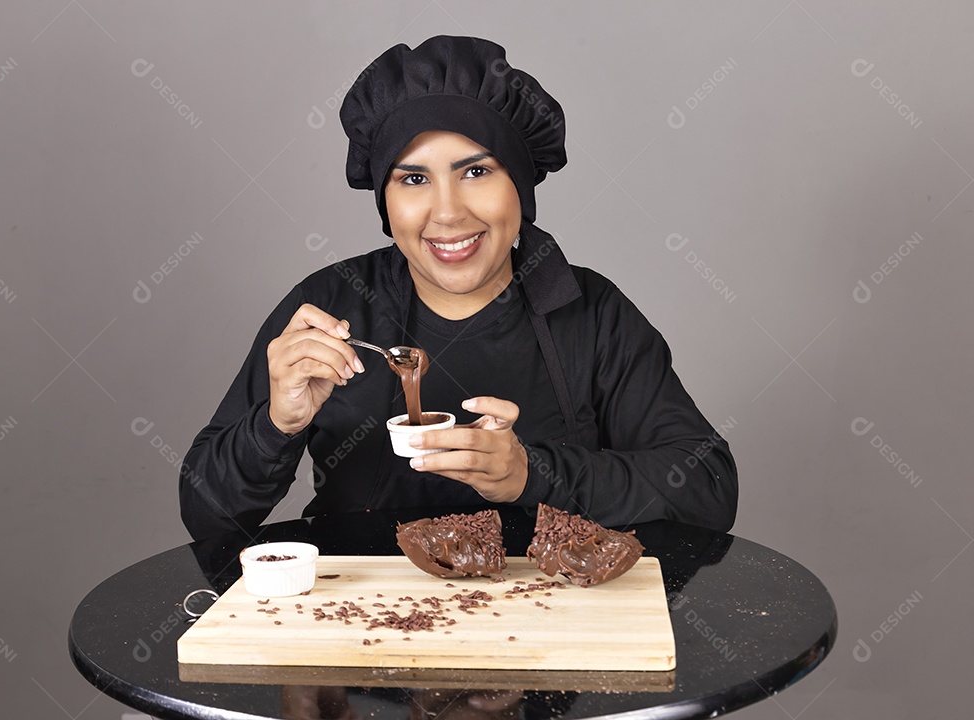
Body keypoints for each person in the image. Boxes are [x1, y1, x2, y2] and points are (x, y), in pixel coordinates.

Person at [179, 35, 737, 541]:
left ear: (519, 186)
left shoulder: (592, 314)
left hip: (547, 623)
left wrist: (530, 473)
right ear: (385, 199)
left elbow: (708, 487)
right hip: (358, 621)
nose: (447, 213)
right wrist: (277, 423)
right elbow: (207, 513)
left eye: (477, 171)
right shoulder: (333, 305)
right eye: (414, 179)